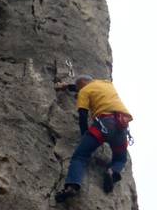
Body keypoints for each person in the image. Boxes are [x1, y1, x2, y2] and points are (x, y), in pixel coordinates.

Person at [54, 74, 132, 202]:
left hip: (103, 125)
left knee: (80, 156)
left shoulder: (84, 91)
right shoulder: (106, 83)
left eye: (79, 88)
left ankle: (72, 186)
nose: (79, 90)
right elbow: (88, 86)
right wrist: (68, 86)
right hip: (121, 127)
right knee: (120, 158)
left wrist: (84, 134)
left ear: (82, 84)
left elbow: (83, 115)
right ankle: (112, 171)